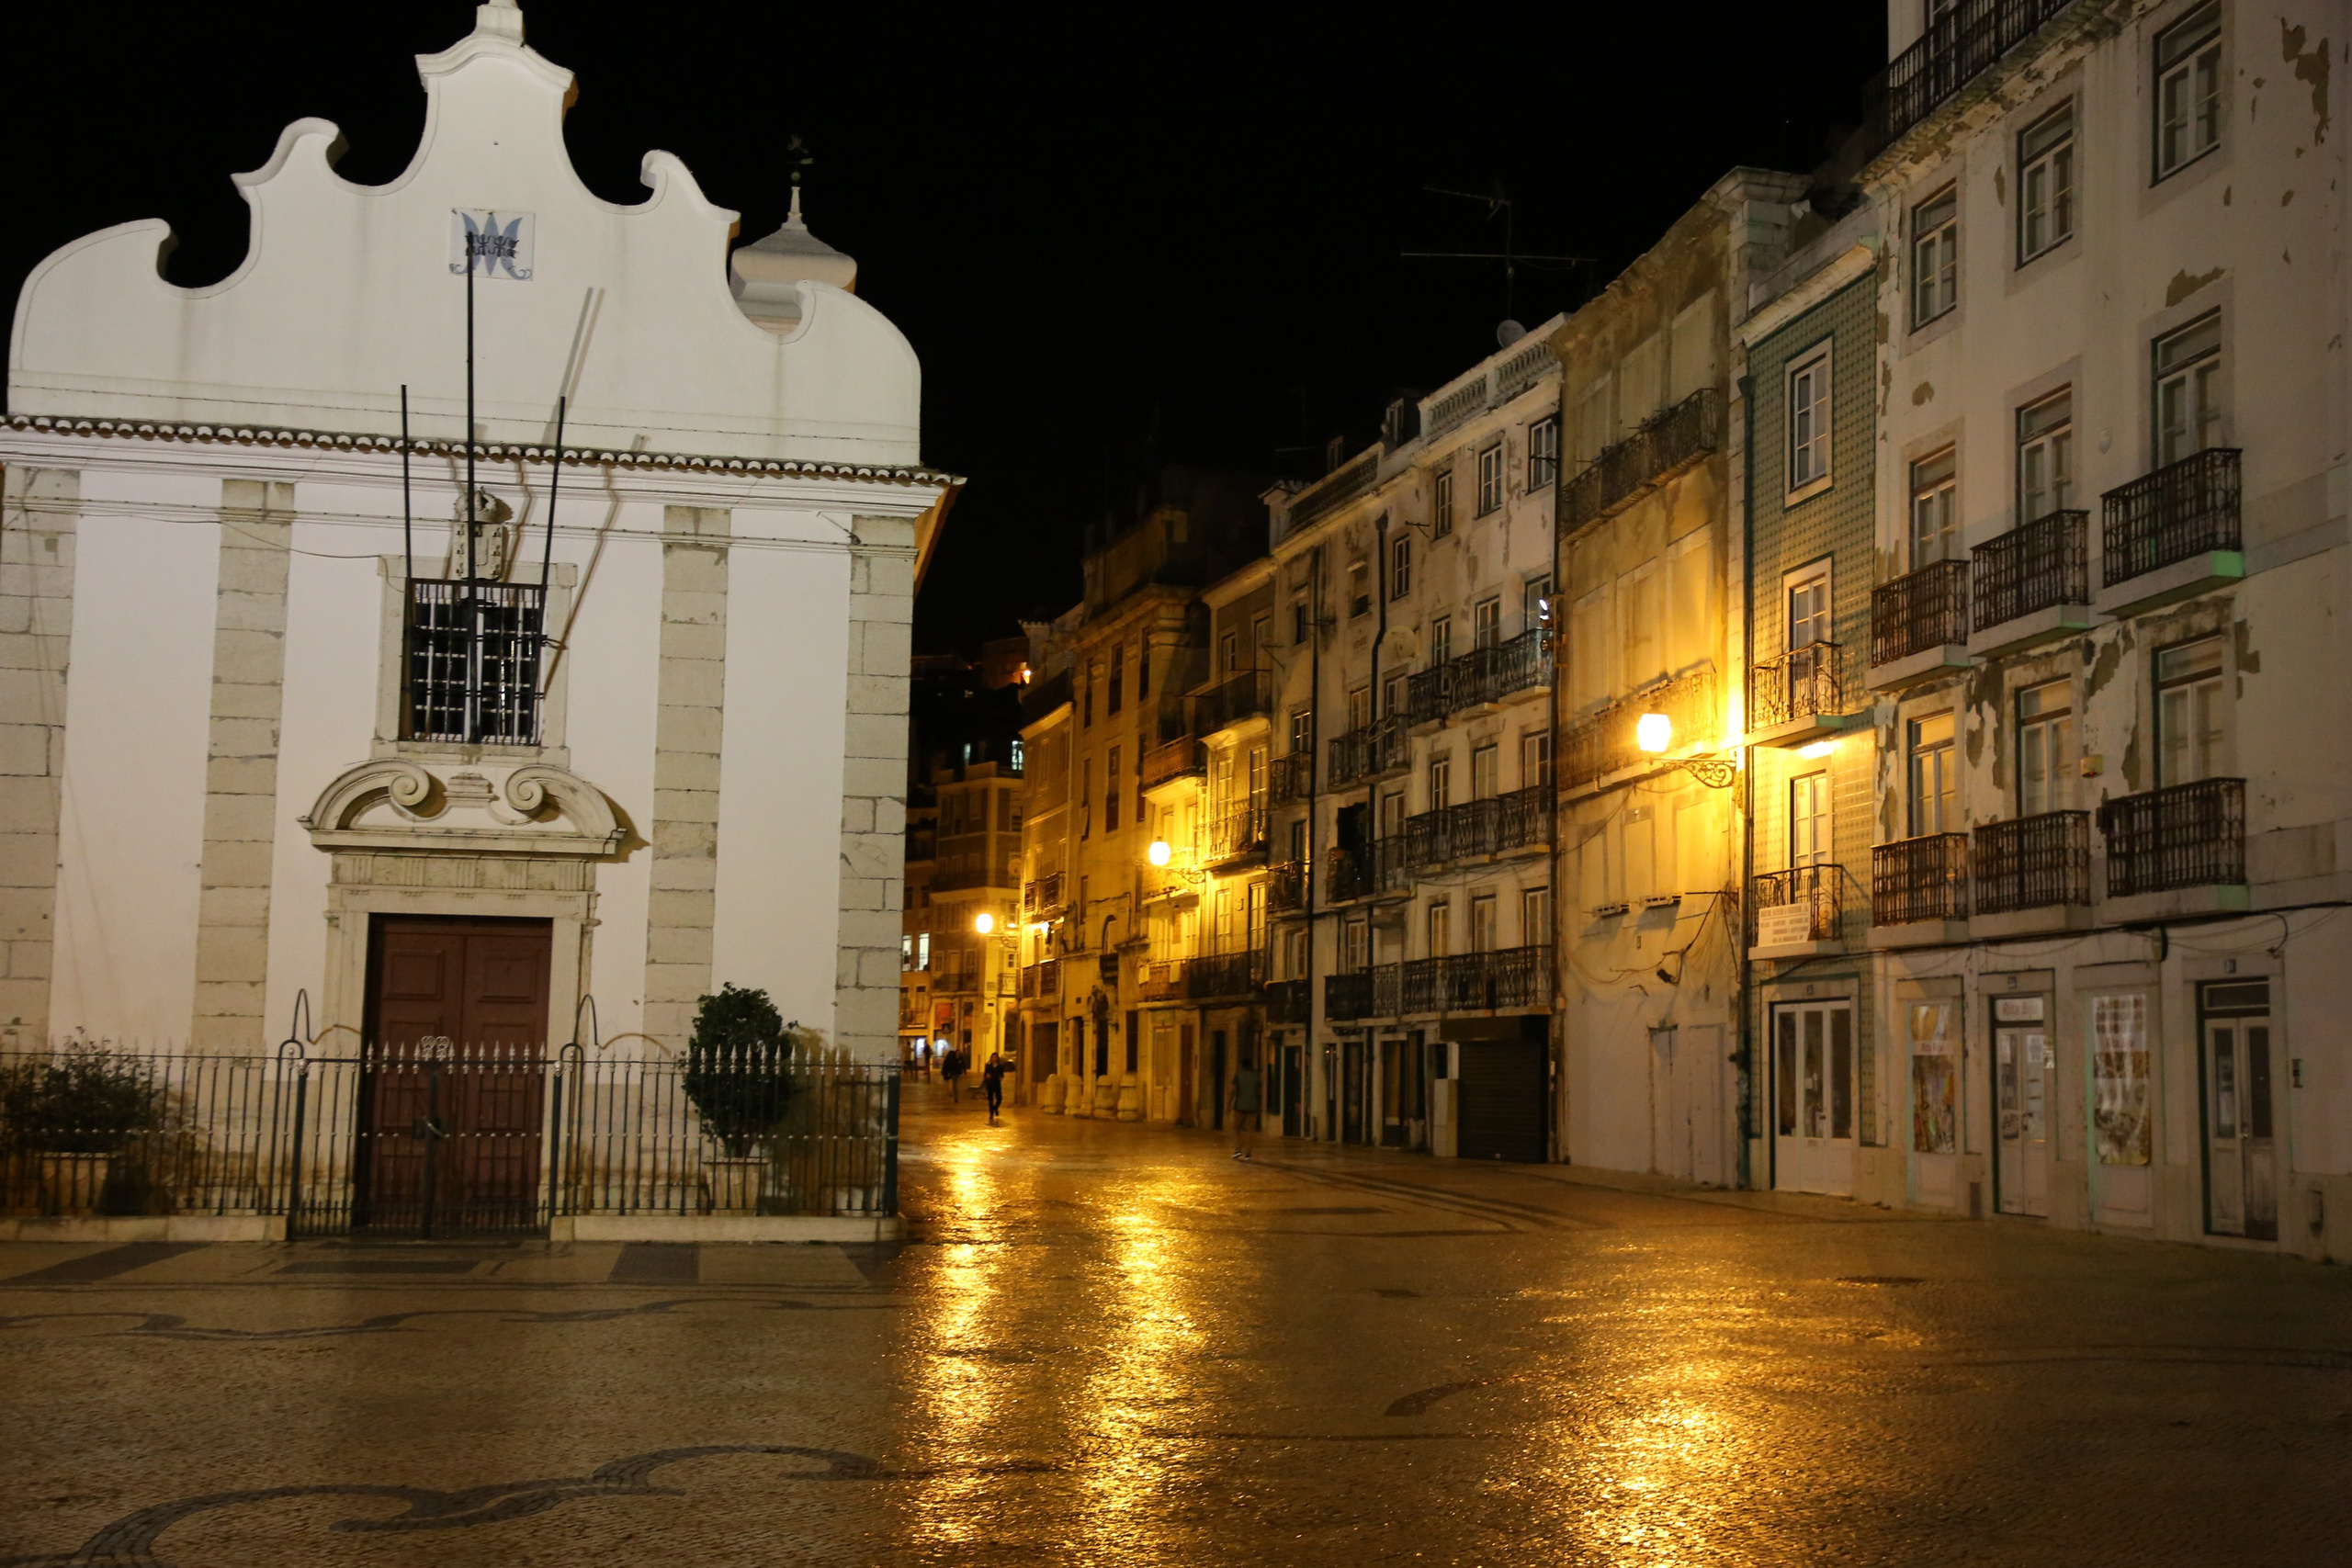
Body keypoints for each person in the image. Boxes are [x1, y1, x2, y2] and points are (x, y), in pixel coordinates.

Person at [1227, 1056, 1261, 1159]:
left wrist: (1228, 1104)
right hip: (1252, 1107)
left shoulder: (1238, 1076)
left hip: (1239, 1107)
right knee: (1250, 1130)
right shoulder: (1256, 1077)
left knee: (1236, 1128)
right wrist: (1259, 1105)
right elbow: (1259, 1092)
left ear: (1242, 1066)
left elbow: (1233, 1091)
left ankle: (1238, 1149)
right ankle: (1248, 1152)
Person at [981, 1051, 1007, 1124]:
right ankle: (991, 1113)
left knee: (999, 1098)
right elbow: (985, 1074)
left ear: (997, 1058)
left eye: (995, 1057)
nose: (994, 1058)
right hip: (990, 1084)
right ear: (991, 1058)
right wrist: (987, 1077)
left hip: (997, 1084)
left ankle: (995, 1108)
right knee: (990, 1100)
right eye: (993, 1057)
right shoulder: (988, 1066)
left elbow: (1002, 1075)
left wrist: (1001, 1078)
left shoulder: (1000, 1066)